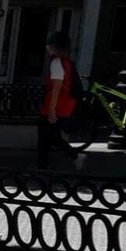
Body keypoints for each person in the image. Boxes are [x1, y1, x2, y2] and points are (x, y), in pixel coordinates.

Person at [38, 31, 79, 169]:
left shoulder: (56, 63)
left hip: (55, 106)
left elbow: (56, 88)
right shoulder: (68, 63)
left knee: (45, 139)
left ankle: (42, 168)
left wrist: (51, 111)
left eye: (49, 45)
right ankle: (73, 155)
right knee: (52, 138)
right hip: (65, 106)